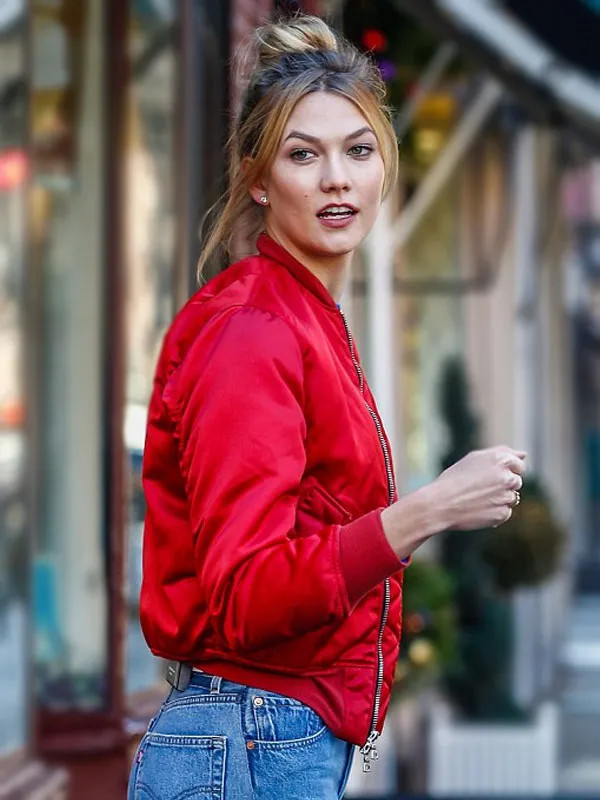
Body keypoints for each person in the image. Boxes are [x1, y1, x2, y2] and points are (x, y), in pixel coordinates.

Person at [127, 14, 526, 800]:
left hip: (268, 739)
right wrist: (430, 510)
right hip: (245, 742)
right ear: (259, 180)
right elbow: (245, 593)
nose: (337, 178)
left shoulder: (304, 320)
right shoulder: (253, 330)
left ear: (386, 168)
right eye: (303, 155)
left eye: (359, 150)